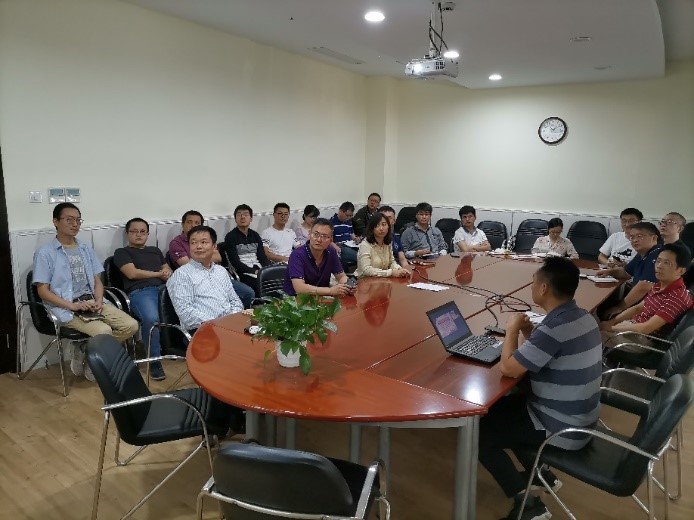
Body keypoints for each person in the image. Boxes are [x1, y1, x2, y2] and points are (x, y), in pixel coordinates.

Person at [479, 257, 602, 520]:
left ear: (544, 288)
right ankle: (542, 474)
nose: (532, 285)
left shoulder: (553, 328)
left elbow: (509, 369)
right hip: (582, 418)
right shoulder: (583, 317)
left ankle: (529, 506)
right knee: (504, 410)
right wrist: (529, 332)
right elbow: (544, 353)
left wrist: (512, 330)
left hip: (562, 427)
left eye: (534, 281)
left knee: (480, 433)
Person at [32, 203, 138, 382]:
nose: (75, 224)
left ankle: (86, 351)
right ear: (56, 222)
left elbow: (97, 281)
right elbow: (43, 292)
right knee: (104, 330)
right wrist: (72, 305)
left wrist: (99, 299)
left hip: (91, 302)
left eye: (78, 220)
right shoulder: (45, 253)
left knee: (131, 326)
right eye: (69, 220)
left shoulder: (85, 248)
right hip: (65, 307)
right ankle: (95, 361)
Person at [113, 217, 171, 380]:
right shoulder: (122, 252)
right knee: (151, 319)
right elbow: (132, 273)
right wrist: (159, 274)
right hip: (141, 292)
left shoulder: (155, 250)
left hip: (165, 289)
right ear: (127, 233)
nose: (138, 235)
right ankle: (154, 361)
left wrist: (167, 273)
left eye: (142, 232)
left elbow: (167, 269)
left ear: (147, 234)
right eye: (134, 231)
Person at [600, 243, 693, 337]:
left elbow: (646, 328)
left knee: (595, 335)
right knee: (597, 327)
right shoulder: (660, 285)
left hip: (642, 338)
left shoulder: (677, 297)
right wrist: (612, 322)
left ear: (681, 271)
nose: (659, 266)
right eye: (658, 261)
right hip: (633, 326)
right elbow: (638, 308)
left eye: (667, 263)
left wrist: (611, 328)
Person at [168, 209, 254, 308]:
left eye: (197, 223)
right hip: (195, 279)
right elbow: (187, 263)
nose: (193, 225)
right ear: (183, 224)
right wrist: (206, 255)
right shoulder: (176, 243)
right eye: (189, 222)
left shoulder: (219, 268)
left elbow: (218, 258)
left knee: (248, 293)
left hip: (214, 275)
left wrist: (200, 257)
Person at [167, 225, 244, 333]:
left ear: (214, 246)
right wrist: (218, 323)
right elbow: (186, 313)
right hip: (202, 331)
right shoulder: (182, 274)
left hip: (229, 326)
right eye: (193, 243)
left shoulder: (221, 271)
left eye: (203, 242)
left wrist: (231, 320)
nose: (198, 246)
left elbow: (235, 301)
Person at [597, 222, 662, 315]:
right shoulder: (643, 253)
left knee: (604, 311)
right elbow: (626, 272)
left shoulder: (658, 255)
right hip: (638, 303)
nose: (634, 240)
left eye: (639, 236)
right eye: (632, 237)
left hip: (650, 308)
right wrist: (609, 272)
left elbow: (644, 287)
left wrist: (620, 308)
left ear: (654, 238)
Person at [284, 218, 354, 297]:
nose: (319, 240)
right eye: (316, 234)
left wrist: (348, 286)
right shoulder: (297, 255)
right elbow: (300, 288)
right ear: (309, 234)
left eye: (324, 236)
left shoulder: (331, 251)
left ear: (331, 239)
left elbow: (341, 276)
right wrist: (330, 291)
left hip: (321, 298)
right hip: (296, 300)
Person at [224, 204, 271, 296]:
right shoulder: (230, 237)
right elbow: (235, 262)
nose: (242, 217)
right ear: (235, 219)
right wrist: (253, 271)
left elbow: (262, 256)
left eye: (246, 214)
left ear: (251, 218)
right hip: (243, 272)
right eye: (239, 214)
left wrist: (268, 269)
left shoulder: (255, 235)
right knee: (260, 286)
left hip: (258, 268)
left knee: (276, 279)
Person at [355, 213, 410, 278]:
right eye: (377, 225)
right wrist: (391, 272)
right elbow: (366, 270)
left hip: (383, 279)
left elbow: (392, 262)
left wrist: (400, 269)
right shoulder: (365, 245)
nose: (381, 228)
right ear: (372, 228)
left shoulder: (388, 243)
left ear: (388, 226)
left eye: (384, 224)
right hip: (365, 280)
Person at [329, 201, 360, 268]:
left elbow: (351, 233)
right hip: (341, 247)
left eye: (350, 216)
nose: (348, 218)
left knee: (364, 251)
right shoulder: (331, 222)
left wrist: (355, 239)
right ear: (340, 211)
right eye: (347, 215)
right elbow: (329, 241)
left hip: (351, 245)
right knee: (360, 256)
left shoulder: (349, 221)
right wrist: (335, 246)